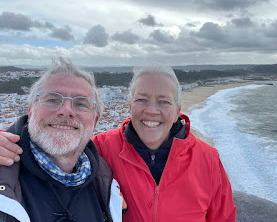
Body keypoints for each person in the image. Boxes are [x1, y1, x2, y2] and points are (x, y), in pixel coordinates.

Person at [0, 64, 236, 221]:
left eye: (164, 102)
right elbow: (58, 140)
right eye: (142, 99)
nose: (151, 110)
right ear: (130, 105)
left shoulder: (208, 159)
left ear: (178, 111)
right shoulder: (101, 149)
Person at [0, 59, 123, 222]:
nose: (66, 111)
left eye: (81, 103)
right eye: (52, 99)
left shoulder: (106, 184)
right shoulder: (4, 175)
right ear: (31, 111)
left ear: (95, 122)